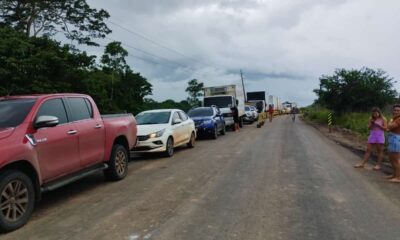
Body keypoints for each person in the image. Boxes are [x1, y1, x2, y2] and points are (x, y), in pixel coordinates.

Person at [386, 104, 400, 183]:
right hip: (392, 139)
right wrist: (390, 125)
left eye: (398, 110)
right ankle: (394, 174)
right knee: (391, 159)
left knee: (396, 159)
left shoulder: (398, 119)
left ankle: (398, 177)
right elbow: (389, 128)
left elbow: (390, 127)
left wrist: (390, 123)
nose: (396, 111)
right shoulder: (395, 119)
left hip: (396, 139)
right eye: (395, 110)